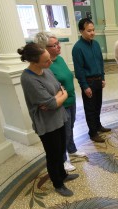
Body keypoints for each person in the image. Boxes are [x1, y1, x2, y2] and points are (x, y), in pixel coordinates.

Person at [18, 43, 79, 197]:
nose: (50, 62)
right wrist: (55, 100)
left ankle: (63, 174)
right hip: (46, 123)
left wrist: (57, 98)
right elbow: (52, 103)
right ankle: (57, 183)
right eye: (46, 61)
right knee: (53, 154)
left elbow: (61, 89)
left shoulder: (46, 70)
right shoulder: (28, 79)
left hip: (58, 117)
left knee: (60, 150)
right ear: (34, 62)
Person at [35, 32, 86, 172]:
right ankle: (63, 160)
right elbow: (50, 88)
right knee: (64, 132)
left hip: (71, 100)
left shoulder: (60, 59)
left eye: (58, 43)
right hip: (60, 105)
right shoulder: (46, 66)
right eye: (54, 45)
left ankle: (72, 149)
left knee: (70, 128)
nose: (59, 46)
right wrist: (62, 94)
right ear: (44, 48)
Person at [72, 18, 111, 143]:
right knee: (90, 108)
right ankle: (92, 132)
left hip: (98, 80)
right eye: (89, 31)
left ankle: (98, 125)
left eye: (93, 30)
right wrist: (85, 86)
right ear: (81, 31)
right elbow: (79, 70)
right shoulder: (77, 48)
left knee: (98, 105)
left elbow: (100, 62)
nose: (92, 33)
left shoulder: (96, 44)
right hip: (88, 83)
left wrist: (103, 77)